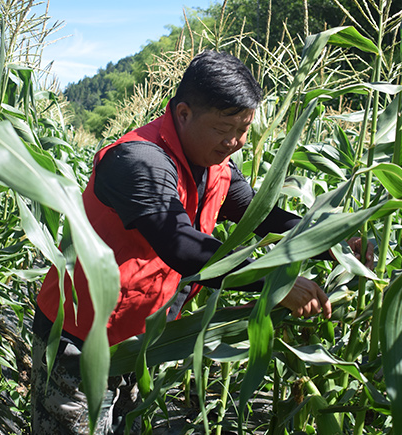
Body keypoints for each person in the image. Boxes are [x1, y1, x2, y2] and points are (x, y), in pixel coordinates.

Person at [31, 50, 373, 434]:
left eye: (244, 129)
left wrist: (335, 241)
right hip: (80, 339)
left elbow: (260, 215)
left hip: (139, 341)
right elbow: (182, 247)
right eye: (225, 129)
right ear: (183, 114)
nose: (237, 142)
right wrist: (276, 283)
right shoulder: (140, 160)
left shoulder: (216, 164)